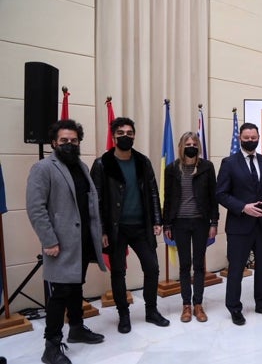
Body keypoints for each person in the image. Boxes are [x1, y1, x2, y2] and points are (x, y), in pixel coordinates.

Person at [26, 119, 106, 364]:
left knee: (76, 286)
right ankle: (51, 346)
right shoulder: (43, 168)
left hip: (82, 241)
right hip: (59, 243)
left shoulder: (81, 166)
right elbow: (36, 208)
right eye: (64, 141)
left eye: (74, 140)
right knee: (60, 294)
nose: (69, 144)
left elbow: (91, 204)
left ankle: (77, 328)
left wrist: (98, 233)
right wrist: (48, 240)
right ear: (54, 143)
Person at [90, 117, 170, 334]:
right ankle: (123, 315)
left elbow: (153, 192)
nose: (125, 136)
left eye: (129, 133)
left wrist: (156, 220)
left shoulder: (143, 162)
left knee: (152, 268)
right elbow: (95, 200)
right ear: (114, 136)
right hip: (116, 229)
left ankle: (151, 311)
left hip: (141, 226)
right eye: (121, 133)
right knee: (118, 273)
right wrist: (102, 230)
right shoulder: (102, 164)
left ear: (134, 135)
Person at [216, 122, 262, 326]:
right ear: (239, 138)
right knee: (236, 269)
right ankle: (234, 307)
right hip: (239, 225)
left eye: (254, 138)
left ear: (259, 137)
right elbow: (221, 194)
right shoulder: (229, 162)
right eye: (247, 138)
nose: (251, 141)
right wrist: (243, 207)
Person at [163, 132, 219, 322]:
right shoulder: (172, 169)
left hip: (201, 222)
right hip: (180, 222)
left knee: (199, 265)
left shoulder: (206, 167)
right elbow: (168, 197)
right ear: (181, 146)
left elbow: (213, 197)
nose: (191, 146)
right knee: (185, 265)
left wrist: (214, 222)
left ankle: (198, 304)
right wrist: (167, 224)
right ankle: (186, 305)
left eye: (194, 143)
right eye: (187, 143)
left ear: (198, 146)